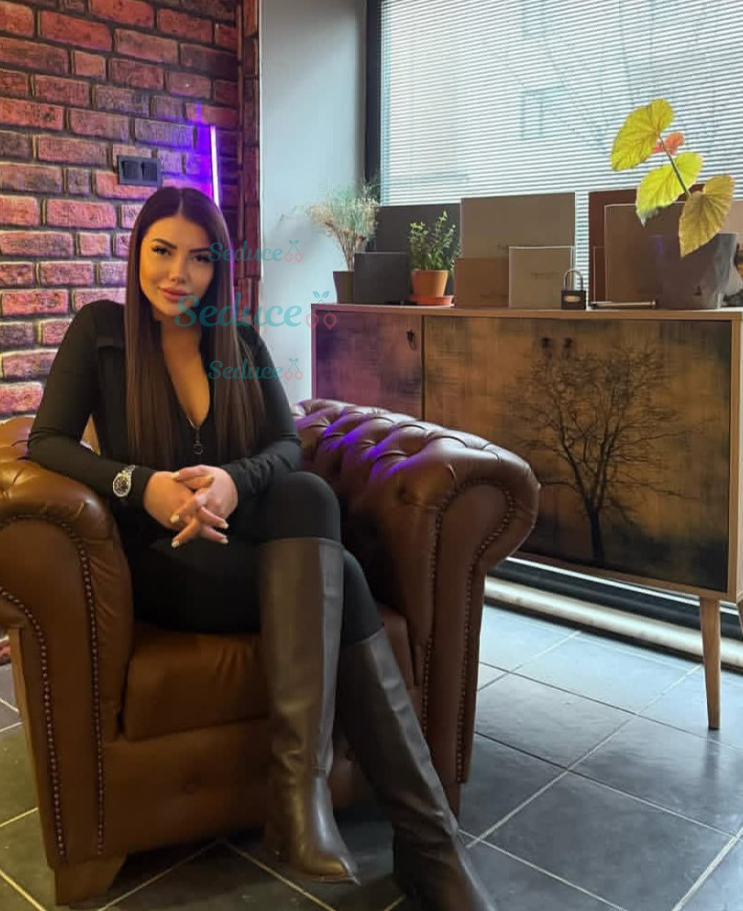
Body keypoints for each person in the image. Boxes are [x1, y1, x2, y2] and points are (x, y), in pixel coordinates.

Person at [28, 185, 496, 911]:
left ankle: (307, 795)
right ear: (137, 251)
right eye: (162, 251)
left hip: (242, 545)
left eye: (199, 258)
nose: (178, 273)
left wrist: (232, 482)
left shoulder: (238, 342)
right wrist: (140, 485)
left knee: (307, 497)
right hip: (163, 559)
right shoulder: (101, 333)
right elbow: (48, 442)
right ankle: (426, 845)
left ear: (218, 268)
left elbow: (286, 446)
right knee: (340, 574)